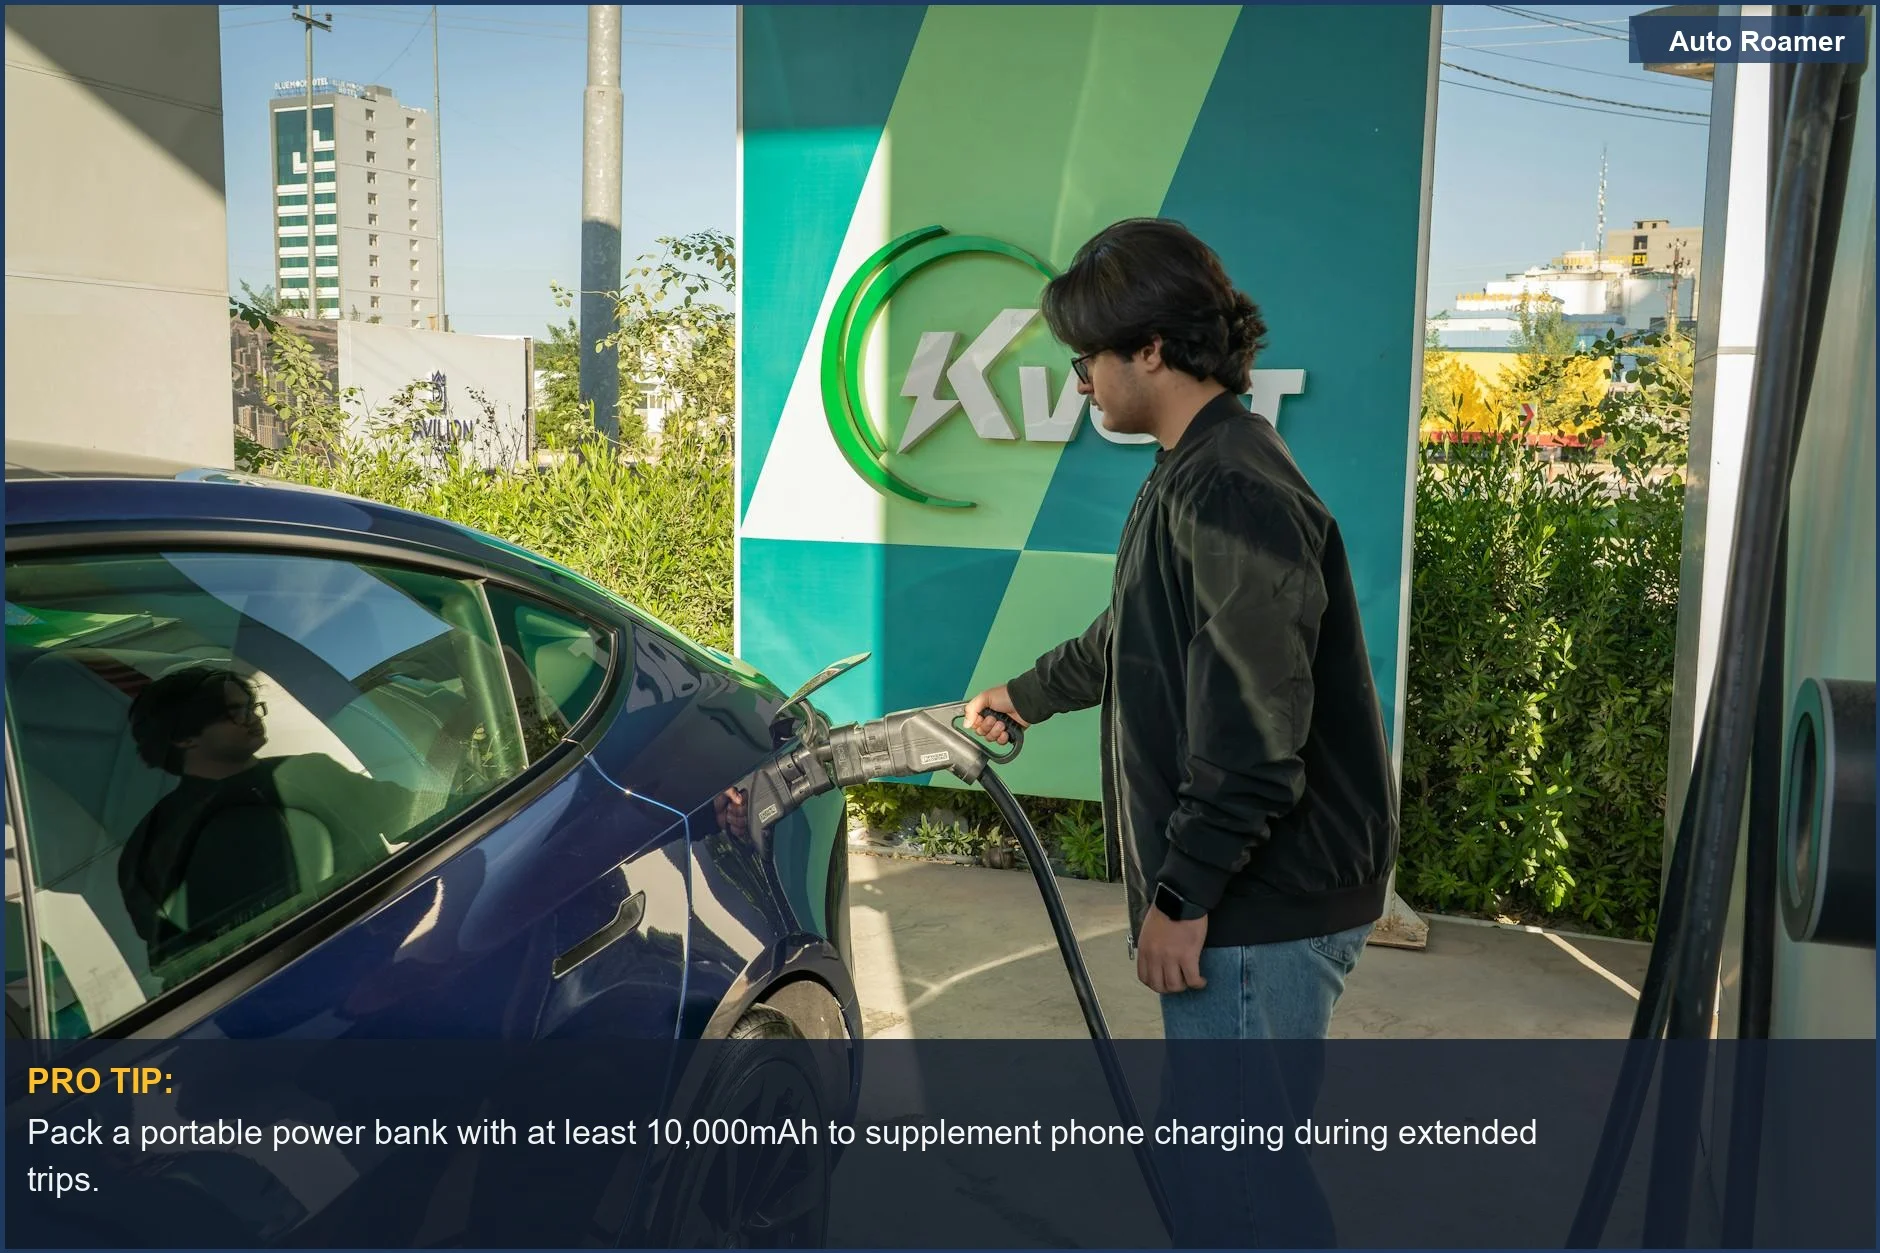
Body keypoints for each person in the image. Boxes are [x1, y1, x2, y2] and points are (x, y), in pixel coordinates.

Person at [964, 218, 1399, 1042]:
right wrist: (1023, 695)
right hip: (1247, 897)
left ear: (1152, 349)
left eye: (1088, 357)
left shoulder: (1231, 488)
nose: (1083, 382)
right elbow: (1137, 625)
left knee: (1231, 1167)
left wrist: (1182, 896)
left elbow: (1255, 724)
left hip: (1257, 907)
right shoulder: (1199, 465)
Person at [118, 663, 421, 967]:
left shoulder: (314, 772)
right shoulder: (157, 840)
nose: (250, 717)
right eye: (232, 712)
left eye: (251, 707)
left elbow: (419, 811)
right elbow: (178, 957)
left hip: (390, 939)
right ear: (183, 737)